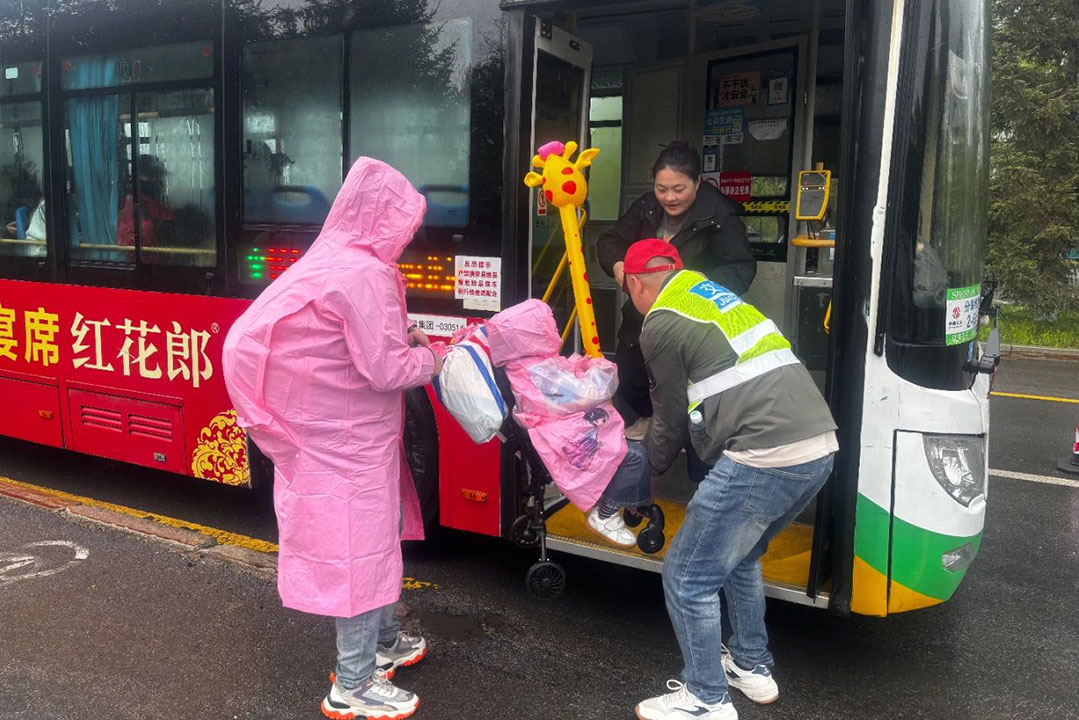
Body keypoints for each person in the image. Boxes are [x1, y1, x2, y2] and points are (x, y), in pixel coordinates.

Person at [222, 157, 440, 720]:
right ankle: (354, 684)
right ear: (383, 218)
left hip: (339, 437)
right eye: (404, 224)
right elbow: (386, 369)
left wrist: (407, 333)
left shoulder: (334, 258)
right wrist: (434, 358)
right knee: (358, 556)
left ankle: (384, 641)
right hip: (346, 445)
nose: (407, 237)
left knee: (378, 540)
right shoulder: (364, 272)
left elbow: (351, 333)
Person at [621, 239, 837, 720]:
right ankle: (750, 665)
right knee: (740, 557)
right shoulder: (709, 295)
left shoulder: (660, 321)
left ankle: (706, 698)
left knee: (687, 577)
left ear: (635, 284)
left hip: (765, 455)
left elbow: (669, 416)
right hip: (818, 448)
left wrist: (641, 474)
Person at [597, 142, 756, 429]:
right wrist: (618, 264)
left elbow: (742, 268)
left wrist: (696, 283)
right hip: (639, 324)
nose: (669, 197)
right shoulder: (646, 207)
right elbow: (610, 240)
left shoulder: (719, 215)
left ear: (697, 182)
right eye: (661, 189)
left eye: (679, 189)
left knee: (681, 405)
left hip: (691, 328)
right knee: (629, 393)